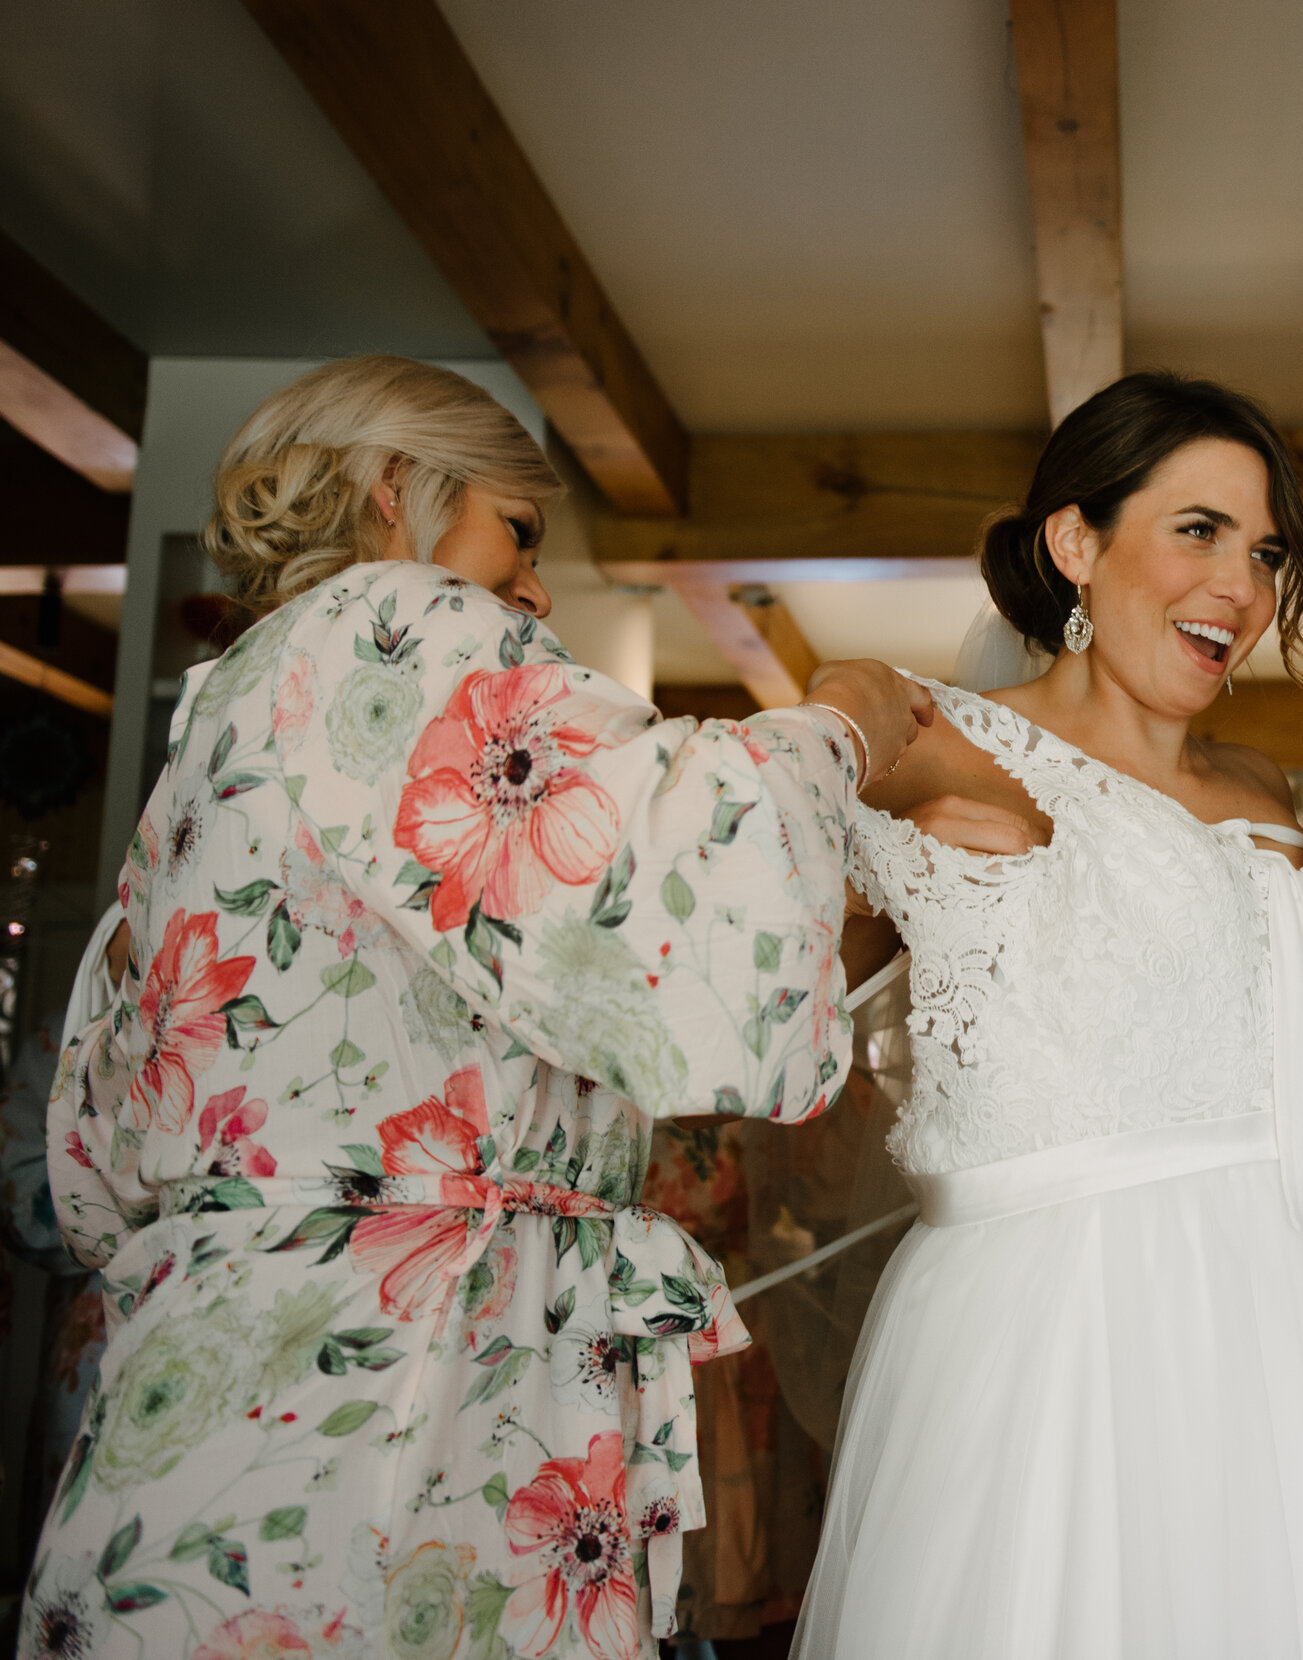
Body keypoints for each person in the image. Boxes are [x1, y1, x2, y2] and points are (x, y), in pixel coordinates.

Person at [28, 355, 929, 1660]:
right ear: (396, 492)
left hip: (227, 1347)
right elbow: (646, 848)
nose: (534, 586)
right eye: (516, 528)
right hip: (412, 1370)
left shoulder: (223, 711)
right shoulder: (389, 621)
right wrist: (837, 721)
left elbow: (106, 1103)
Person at [793, 371, 1303, 1659]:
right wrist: (842, 702)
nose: (1244, 589)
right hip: (1094, 1333)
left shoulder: (1259, 781)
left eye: (1265, 552)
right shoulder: (962, 751)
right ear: (1076, 544)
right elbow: (850, 743)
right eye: (1197, 530)